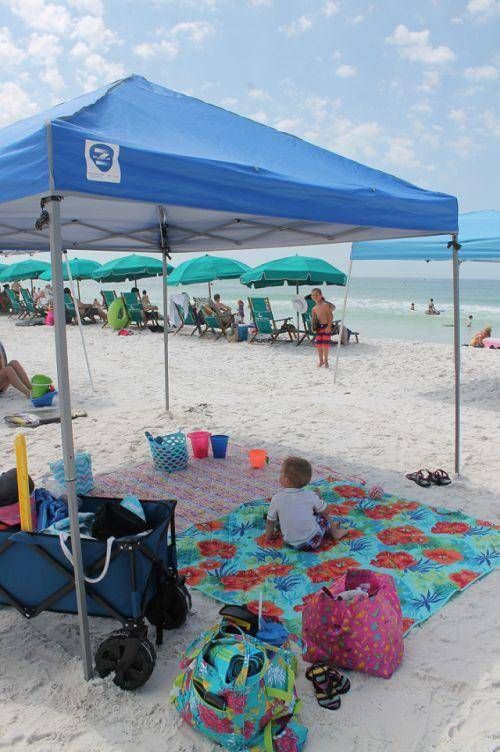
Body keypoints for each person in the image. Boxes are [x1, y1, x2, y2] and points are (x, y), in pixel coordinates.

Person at [265, 457, 350, 551]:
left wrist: (269, 536)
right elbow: (326, 511)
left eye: (280, 472)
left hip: (290, 542)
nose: (279, 474)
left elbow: (270, 521)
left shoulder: (276, 498)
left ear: (287, 481)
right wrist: (319, 499)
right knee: (321, 514)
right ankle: (334, 531)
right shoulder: (310, 495)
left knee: (285, 516)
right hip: (313, 542)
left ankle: (330, 529)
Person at [311, 287, 333, 368]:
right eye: (313, 295)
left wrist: (329, 326)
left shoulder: (325, 305)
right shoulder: (313, 308)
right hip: (318, 328)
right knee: (319, 345)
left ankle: (326, 361)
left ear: (321, 295)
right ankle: (321, 361)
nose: (314, 296)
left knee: (325, 345)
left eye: (316, 295)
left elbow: (331, 316)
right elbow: (313, 320)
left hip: (326, 327)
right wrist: (312, 328)